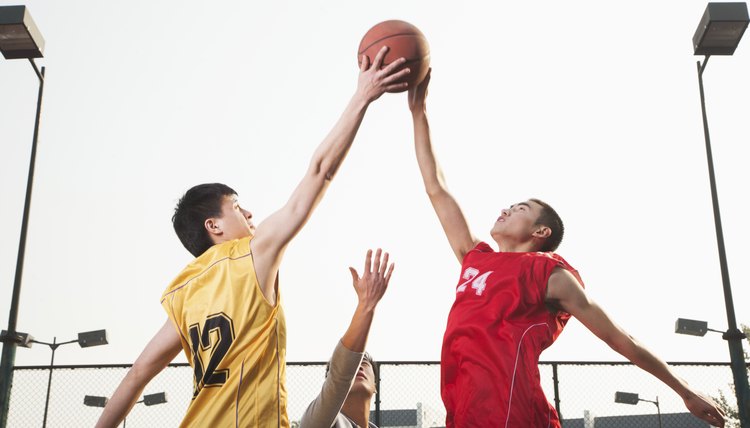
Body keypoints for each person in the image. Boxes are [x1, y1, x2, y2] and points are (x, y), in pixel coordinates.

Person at [95, 47, 411, 428]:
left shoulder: (182, 292)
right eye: (237, 207)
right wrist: (362, 96)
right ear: (214, 226)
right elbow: (319, 172)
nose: (249, 214)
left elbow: (137, 375)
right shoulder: (253, 254)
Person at [407, 69, 726, 428]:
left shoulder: (549, 275)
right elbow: (436, 186)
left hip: (514, 412)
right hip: (463, 410)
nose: (506, 209)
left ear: (540, 231)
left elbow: (619, 337)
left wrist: (683, 389)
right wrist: (419, 112)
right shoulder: (475, 258)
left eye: (520, 209)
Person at [299, 249, 393, 428]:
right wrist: (367, 305)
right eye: (354, 363)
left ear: (375, 385)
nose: (357, 364)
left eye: (364, 362)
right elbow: (340, 376)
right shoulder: (317, 422)